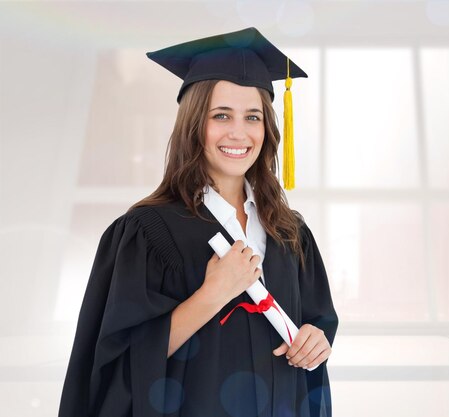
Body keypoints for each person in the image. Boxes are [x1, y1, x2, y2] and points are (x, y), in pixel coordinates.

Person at [58, 27, 338, 417]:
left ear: (267, 129)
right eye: (221, 115)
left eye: (252, 117)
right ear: (194, 125)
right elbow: (119, 362)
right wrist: (213, 294)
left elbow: (316, 324)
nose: (239, 132)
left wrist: (316, 340)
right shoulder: (148, 232)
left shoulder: (290, 233)